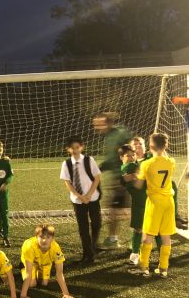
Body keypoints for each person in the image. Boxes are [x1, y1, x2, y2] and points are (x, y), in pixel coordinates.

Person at [130, 133, 176, 278]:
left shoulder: (146, 164)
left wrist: (136, 172)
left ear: (150, 146)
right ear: (166, 145)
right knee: (166, 236)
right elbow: (164, 158)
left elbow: (138, 185)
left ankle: (143, 267)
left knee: (147, 236)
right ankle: (163, 268)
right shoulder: (171, 162)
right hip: (169, 202)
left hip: (154, 202)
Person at [93, 112, 132, 248]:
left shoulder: (119, 134)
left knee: (120, 210)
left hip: (123, 177)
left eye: (100, 124)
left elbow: (130, 152)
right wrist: (99, 168)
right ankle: (115, 238)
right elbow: (111, 159)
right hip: (118, 177)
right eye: (95, 124)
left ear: (108, 123)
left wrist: (123, 177)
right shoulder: (109, 136)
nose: (97, 127)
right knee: (117, 209)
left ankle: (119, 240)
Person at [60, 136, 102, 263]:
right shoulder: (66, 164)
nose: (75, 150)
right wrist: (80, 196)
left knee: (96, 223)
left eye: (77, 147)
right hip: (78, 201)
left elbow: (97, 178)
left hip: (92, 198)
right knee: (83, 228)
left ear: (82, 147)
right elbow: (68, 183)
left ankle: (93, 246)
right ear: (68, 149)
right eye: (72, 148)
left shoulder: (89, 160)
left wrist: (88, 195)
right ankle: (87, 253)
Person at [19, 224, 74, 298]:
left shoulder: (56, 249)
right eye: (41, 237)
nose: (44, 240)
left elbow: (59, 274)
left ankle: (38, 271)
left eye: (48, 237)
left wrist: (66, 293)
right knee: (32, 284)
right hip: (31, 262)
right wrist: (23, 295)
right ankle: (22, 268)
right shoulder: (29, 247)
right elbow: (28, 274)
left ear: (52, 238)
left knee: (44, 283)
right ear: (36, 237)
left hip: (45, 263)